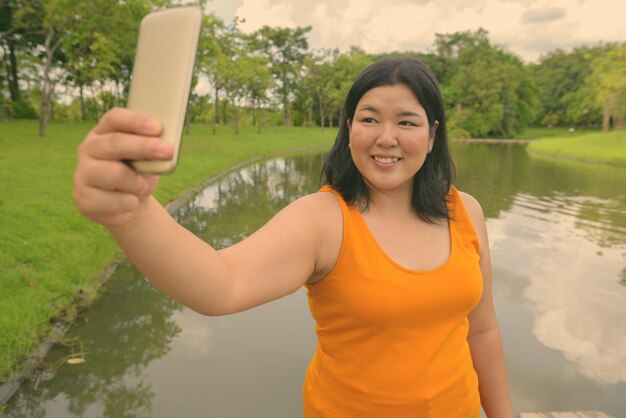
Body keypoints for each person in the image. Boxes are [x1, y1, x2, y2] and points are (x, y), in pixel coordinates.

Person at [73, 57, 514, 417]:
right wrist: (131, 213)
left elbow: (483, 330)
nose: (386, 138)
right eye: (369, 118)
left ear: (433, 135)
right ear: (348, 128)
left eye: (407, 122)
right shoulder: (323, 219)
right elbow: (221, 284)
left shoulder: (466, 210)